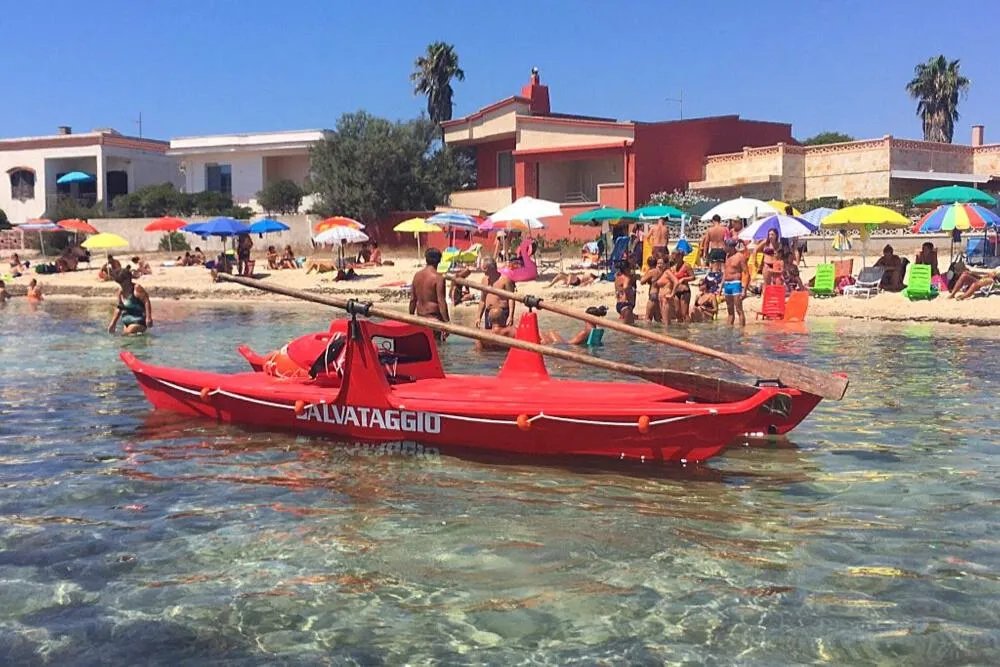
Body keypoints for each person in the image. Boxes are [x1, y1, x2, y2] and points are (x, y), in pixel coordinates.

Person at [410, 248, 450, 340]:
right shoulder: (438, 278)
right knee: (437, 350)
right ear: (439, 261)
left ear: (426, 259)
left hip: (419, 318)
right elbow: (441, 301)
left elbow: (413, 299)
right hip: (433, 319)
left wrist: (411, 318)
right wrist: (447, 322)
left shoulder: (417, 275)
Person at [108, 267, 152, 335]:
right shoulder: (120, 292)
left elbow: (146, 301)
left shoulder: (137, 288)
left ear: (128, 279)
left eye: (123, 282)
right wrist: (113, 323)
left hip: (138, 321)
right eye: (120, 283)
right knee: (124, 343)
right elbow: (119, 307)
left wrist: (148, 318)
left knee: (125, 336)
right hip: (126, 323)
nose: (122, 285)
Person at [477, 260, 516, 329]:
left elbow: (511, 299)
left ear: (492, 268)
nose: (483, 271)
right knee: (488, 336)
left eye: (485, 269)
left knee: (502, 334)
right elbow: (482, 299)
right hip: (489, 312)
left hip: (502, 312)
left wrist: (511, 316)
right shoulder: (484, 280)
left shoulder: (505, 280)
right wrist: (478, 317)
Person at [541, 306, 608, 345]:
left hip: (565, 346)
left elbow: (569, 344)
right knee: (548, 335)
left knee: (549, 333)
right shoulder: (596, 330)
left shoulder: (585, 332)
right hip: (567, 345)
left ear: (585, 317)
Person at [664, 250, 695, 323]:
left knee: (684, 313)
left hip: (685, 291)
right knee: (677, 312)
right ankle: (680, 331)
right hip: (676, 292)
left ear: (680, 257)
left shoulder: (686, 265)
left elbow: (693, 277)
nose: (674, 259)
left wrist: (684, 279)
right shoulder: (674, 267)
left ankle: (687, 329)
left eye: (675, 258)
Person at [722, 240, 748, 326]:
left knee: (739, 309)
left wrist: (744, 290)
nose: (723, 248)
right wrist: (720, 286)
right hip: (727, 284)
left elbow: (747, 274)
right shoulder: (727, 256)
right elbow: (725, 272)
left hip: (736, 284)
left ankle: (741, 332)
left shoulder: (740, 256)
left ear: (731, 247)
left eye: (725, 246)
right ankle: (729, 332)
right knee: (730, 311)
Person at [639, 256, 665, 322]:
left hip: (652, 294)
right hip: (658, 294)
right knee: (658, 318)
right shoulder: (660, 271)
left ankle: (646, 332)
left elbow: (642, 281)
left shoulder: (651, 271)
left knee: (647, 318)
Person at [614, 260, 637, 325]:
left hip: (619, 304)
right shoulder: (627, 278)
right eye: (629, 268)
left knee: (626, 326)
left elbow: (618, 290)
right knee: (628, 327)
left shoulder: (617, 278)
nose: (630, 270)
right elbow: (625, 287)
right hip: (626, 304)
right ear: (626, 269)